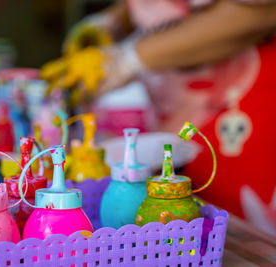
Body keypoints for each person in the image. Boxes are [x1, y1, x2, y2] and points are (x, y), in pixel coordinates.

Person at [41, 0, 276, 235]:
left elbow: (263, 12)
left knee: (236, 230)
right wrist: (111, 21)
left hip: (241, 111)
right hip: (182, 114)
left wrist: (128, 59)